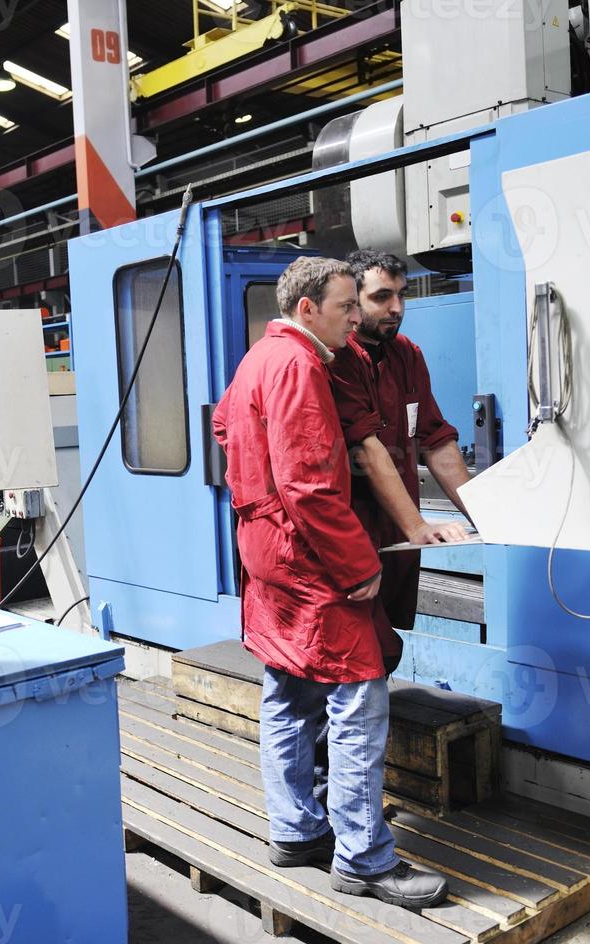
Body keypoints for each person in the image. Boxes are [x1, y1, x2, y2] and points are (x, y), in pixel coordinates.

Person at [212, 256, 448, 910]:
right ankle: (365, 859)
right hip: (311, 560)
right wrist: (359, 563)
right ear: (310, 308)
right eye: (349, 306)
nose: (358, 318)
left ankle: (296, 830)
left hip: (268, 554)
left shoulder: (259, 358)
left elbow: (225, 426)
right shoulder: (301, 366)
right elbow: (310, 485)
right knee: (356, 702)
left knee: (288, 690)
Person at [329, 250, 474, 671]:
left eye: (401, 295)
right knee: (358, 656)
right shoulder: (336, 359)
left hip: (398, 541)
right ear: (351, 301)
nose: (396, 308)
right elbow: (368, 450)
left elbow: (434, 437)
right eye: (381, 297)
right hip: (355, 535)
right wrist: (420, 524)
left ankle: (368, 734)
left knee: (382, 652)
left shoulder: (406, 354)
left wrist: (485, 514)